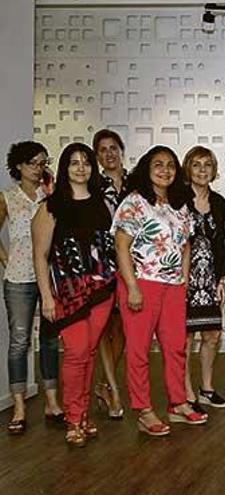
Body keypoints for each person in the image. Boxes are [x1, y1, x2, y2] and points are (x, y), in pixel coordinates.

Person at [113, 146, 207, 436]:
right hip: (141, 283)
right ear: (147, 168)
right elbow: (121, 246)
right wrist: (132, 288)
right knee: (139, 350)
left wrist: (184, 277)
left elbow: (186, 243)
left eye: (170, 165)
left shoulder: (179, 204)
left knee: (176, 346)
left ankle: (178, 403)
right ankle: (143, 410)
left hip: (172, 287)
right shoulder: (134, 202)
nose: (165, 170)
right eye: (158, 164)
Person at [32, 143, 117, 446]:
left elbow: (111, 247)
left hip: (102, 291)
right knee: (77, 352)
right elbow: (40, 256)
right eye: (74, 163)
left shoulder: (103, 204)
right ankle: (73, 417)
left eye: (86, 163)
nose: (81, 168)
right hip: (67, 294)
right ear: (65, 168)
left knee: (89, 352)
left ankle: (83, 416)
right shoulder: (51, 206)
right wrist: (46, 297)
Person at [2, 141, 63, 434]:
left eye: (42, 162)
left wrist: (51, 192)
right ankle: (19, 406)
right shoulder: (7, 198)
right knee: (19, 340)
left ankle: (52, 400)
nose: (39, 169)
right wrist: (7, 260)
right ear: (18, 167)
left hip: (50, 276)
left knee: (50, 339)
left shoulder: (50, 195)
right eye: (33, 163)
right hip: (19, 278)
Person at [181, 146, 225, 411]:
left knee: (211, 335)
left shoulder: (219, 202)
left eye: (207, 165)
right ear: (188, 168)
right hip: (184, 280)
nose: (202, 170)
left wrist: (221, 279)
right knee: (185, 339)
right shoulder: (178, 199)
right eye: (196, 164)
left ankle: (207, 388)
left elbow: (221, 243)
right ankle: (187, 392)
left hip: (210, 280)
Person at [92, 129, 128, 419]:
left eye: (113, 147)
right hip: (102, 264)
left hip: (132, 264)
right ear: (97, 156)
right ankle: (114, 390)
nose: (109, 153)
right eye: (102, 149)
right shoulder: (92, 185)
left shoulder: (136, 182)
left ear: (121, 150)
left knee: (125, 329)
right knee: (104, 327)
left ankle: (104, 384)